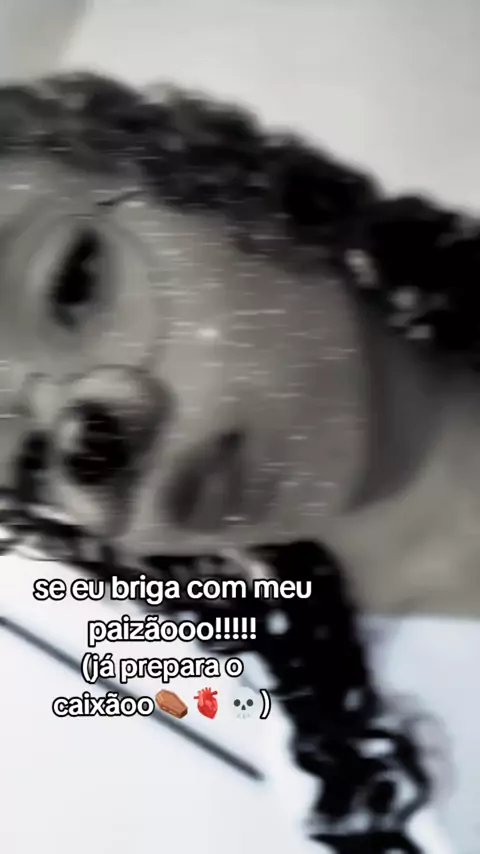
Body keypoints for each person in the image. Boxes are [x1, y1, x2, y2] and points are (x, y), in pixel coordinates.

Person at [0, 70, 474, 851]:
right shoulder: (350, 783)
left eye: (73, 287)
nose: (92, 456)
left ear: (215, 179)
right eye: (31, 464)